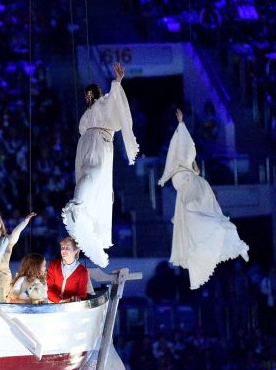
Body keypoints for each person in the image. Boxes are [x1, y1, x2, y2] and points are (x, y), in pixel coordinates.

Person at [158, 109, 249, 289]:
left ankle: (232, 242)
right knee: (202, 224)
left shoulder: (190, 168)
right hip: (191, 195)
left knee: (213, 221)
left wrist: (182, 124)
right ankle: (218, 243)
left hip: (197, 190)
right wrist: (181, 125)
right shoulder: (181, 171)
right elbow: (183, 149)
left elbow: (187, 149)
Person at [61, 63, 139, 268]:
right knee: (84, 176)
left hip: (101, 143)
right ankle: (81, 210)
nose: (89, 98)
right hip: (85, 144)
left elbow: (116, 101)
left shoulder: (104, 103)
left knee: (91, 177)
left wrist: (118, 82)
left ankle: (78, 208)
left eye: (91, 94)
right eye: (87, 96)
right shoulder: (87, 115)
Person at [0, 211, 36, 302]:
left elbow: (16, 232)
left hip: (4, 277)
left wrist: (25, 221)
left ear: (1, 223)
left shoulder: (8, 240)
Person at [47, 236, 94, 303]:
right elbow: (49, 288)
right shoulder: (53, 265)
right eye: (62, 248)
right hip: (52, 303)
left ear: (75, 251)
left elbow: (82, 295)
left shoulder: (82, 271)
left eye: (67, 248)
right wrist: (60, 301)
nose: (63, 250)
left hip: (71, 307)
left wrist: (75, 299)